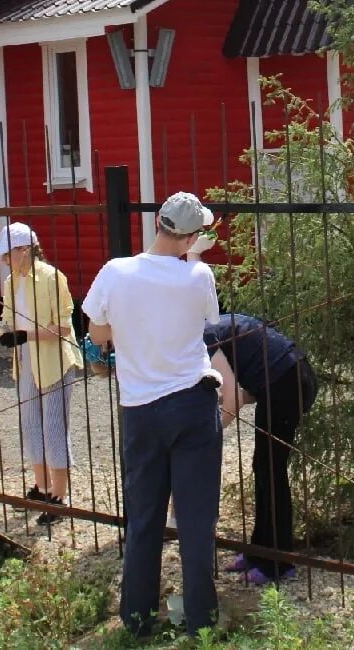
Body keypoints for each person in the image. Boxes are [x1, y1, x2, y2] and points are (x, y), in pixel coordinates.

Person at [81, 192, 223, 639]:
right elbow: (208, 321)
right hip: (193, 403)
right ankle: (201, 619)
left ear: (157, 223)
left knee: (144, 517)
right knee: (197, 519)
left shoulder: (115, 272)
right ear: (192, 236)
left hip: (141, 407)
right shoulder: (199, 275)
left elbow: (97, 332)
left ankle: (138, 620)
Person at [0, 222, 82, 526]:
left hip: (53, 359)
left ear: (24, 250)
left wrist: (27, 336)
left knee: (53, 427)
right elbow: (8, 329)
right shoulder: (12, 282)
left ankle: (60, 498)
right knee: (31, 424)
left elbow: (64, 327)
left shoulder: (52, 278)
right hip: (26, 359)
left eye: (7, 254)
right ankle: (41, 488)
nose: (4, 260)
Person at [206, 313, 317, 587]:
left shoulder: (204, 337)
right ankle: (260, 551)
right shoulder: (215, 326)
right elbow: (250, 385)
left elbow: (231, 401)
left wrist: (207, 433)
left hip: (288, 383)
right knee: (264, 468)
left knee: (272, 472)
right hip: (284, 380)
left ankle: (278, 564)